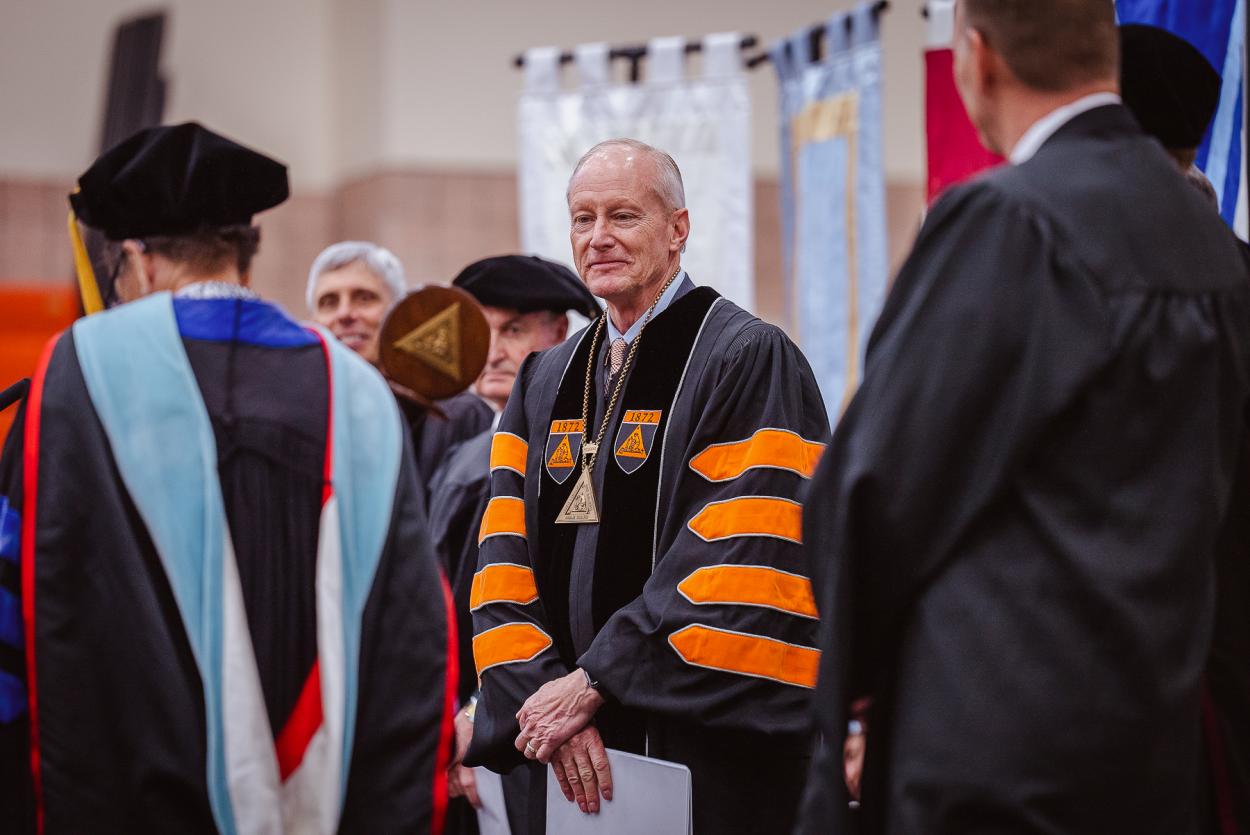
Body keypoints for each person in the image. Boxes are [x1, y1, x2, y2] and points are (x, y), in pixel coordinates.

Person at [797, 2, 1250, 833]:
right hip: (1155, 744)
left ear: (977, 59)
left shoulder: (1010, 219)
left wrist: (859, 698)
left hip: (1000, 747)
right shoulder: (1209, 240)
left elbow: (874, 490)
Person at [0, 122, 456, 833]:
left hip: (128, 797)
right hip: (328, 800)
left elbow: (22, 611)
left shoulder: (73, 377)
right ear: (246, 252)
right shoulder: (359, 392)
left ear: (137, 261)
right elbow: (413, 634)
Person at [462, 138, 830, 834]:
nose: (598, 237)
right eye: (582, 218)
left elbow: (739, 557)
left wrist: (596, 682)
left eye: (624, 215)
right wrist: (550, 702)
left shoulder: (747, 356)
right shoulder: (544, 380)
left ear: (678, 228)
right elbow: (500, 564)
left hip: (698, 752)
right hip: (565, 757)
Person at [428, 255, 598, 835]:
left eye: (515, 329)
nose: (494, 350)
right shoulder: (462, 457)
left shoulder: (571, 455)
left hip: (532, 724)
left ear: (559, 334)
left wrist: (482, 714)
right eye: (484, 329)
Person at [307, 241, 494, 492]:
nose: (345, 313)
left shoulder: (456, 416)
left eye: (364, 298)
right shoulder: (304, 415)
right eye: (329, 302)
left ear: (397, 312)